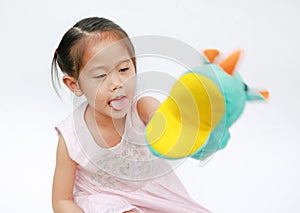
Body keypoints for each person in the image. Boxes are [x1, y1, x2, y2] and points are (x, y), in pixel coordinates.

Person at [51, 17, 210, 213]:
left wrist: (179, 131)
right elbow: (61, 201)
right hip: (101, 198)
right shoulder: (71, 136)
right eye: (101, 76)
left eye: (124, 69)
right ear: (74, 84)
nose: (117, 83)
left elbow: (162, 120)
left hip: (154, 194)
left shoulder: (142, 107)